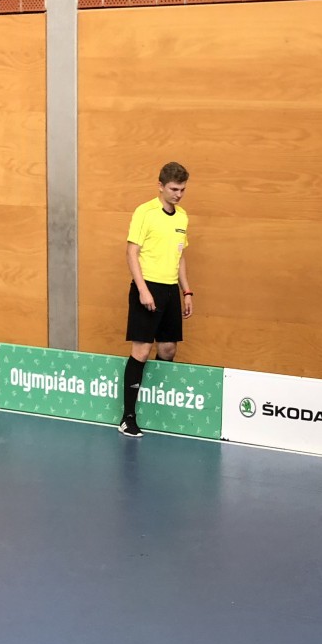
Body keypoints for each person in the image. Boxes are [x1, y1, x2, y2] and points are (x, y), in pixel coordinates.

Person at [120, 162, 193, 437]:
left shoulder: (182, 217)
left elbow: (180, 256)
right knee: (141, 351)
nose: (178, 194)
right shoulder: (145, 212)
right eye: (174, 189)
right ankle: (127, 418)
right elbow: (131, 252)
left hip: (170, 289)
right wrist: (143, 290)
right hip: (147, 286)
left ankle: (160, 408)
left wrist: (186, 291)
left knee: (168, 349)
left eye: (183, 189)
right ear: (160, 186)